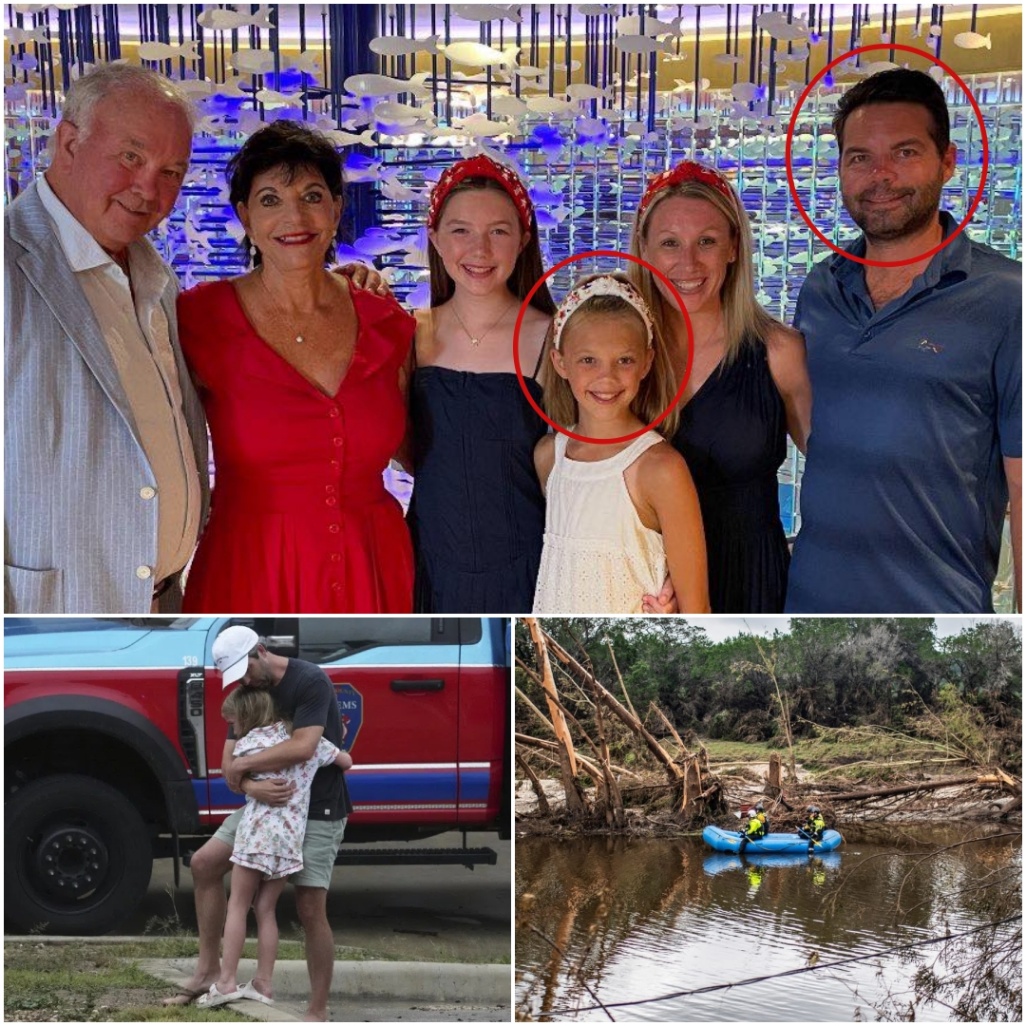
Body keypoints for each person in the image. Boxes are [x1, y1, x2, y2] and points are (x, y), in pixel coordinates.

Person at [786, 68, 1022, 613]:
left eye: (905, 153)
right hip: (806, 605)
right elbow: (819, 431)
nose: (880, 176)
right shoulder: (822, 285)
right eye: (860, 157)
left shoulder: (1009, 299)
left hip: (938, 617)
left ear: (947, 161)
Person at [178, 120, 416, 613]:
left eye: (311, 195)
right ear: (244, 215)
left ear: (336, 208)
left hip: (373, 568)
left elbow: (420, 451)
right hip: (248, 569)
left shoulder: (386, 321)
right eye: (270, 199)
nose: (294, 216)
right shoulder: (197, 319)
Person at [4, 63, 209, 613]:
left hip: (163, 605)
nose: (149, 189)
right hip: (46, 624)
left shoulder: (156, 278)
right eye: (132, 157)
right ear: (68, 143)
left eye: (172, 171)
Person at [629, 160, 811, 614]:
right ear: (644, 250)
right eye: (670, 243)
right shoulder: (618, 356)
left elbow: (837, 477)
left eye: (706, 242)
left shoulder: (778, 353)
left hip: (754, 582)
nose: (688, 263)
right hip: (647, 587)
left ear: (733, 248)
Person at [165, 625, 351, 1022]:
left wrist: (245, 769)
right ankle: (209, 972)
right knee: (204, 863)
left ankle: (317, 1009)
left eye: (245, 673)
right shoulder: (250, 689)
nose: (244, 683)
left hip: (316, 808)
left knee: (309, 907)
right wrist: (253, 786)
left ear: (261, 652)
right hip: (265, 806)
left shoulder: (309, 682)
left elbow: (303, 746)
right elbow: (227, 765)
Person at [409, 154, 555, 613]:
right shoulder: (410, 333)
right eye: (460, 231)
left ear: (523, 239)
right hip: (427, 558)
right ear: (434, 238)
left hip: (527, 564)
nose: (480, 250)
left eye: (498, 231)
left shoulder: (555, 336)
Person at [532, 273, 710, 614]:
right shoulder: (548, 458)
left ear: (646, 362)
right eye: (588, 360)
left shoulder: (661, 469)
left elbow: (696, 609)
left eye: (624, 360)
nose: (607, 377)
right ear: (560, 362)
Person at [198, 686, 353, 1009]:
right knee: (266, 909)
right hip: (290, 838)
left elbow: (232, 773)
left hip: (256, 834)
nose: (233, 728)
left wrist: (249, 777)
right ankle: (263, 985)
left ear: (248, 717)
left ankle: (226, 981)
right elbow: (346, 761)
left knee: (239, 904)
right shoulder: (309, 743)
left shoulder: (249, 745)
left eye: (234, 722)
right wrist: (338, 742)